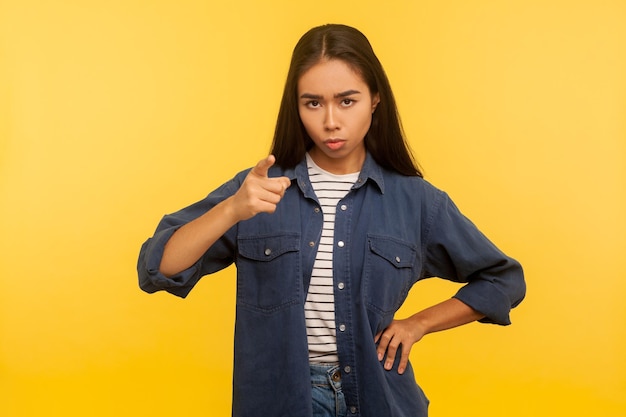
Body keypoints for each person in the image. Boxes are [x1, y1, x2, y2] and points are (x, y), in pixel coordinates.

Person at [137, 23, 525, 417]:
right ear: (297, 106)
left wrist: (417, 324)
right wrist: (231, 210)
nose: (331, 121)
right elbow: (158, 268)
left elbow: (503, 280)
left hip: (378, 397)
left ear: (375, 99)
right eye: (313, 103)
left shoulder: (415, 200)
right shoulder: (256, 190)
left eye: (347, 101)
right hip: (283, 399)